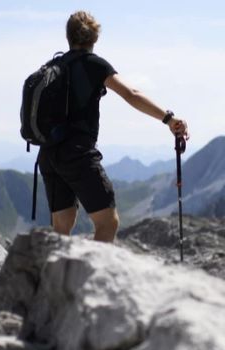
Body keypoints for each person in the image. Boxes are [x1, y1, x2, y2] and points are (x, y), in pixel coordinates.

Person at [38, 10, 189, 243]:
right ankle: (88, 278)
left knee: (61, 226)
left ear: (68, 37)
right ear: (94, 38)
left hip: (48, 153)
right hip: (77, 153)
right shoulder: (94, 65)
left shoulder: (54, 66)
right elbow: (131, 94)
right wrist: (168, 118)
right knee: (108, 223)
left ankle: (55, 278)